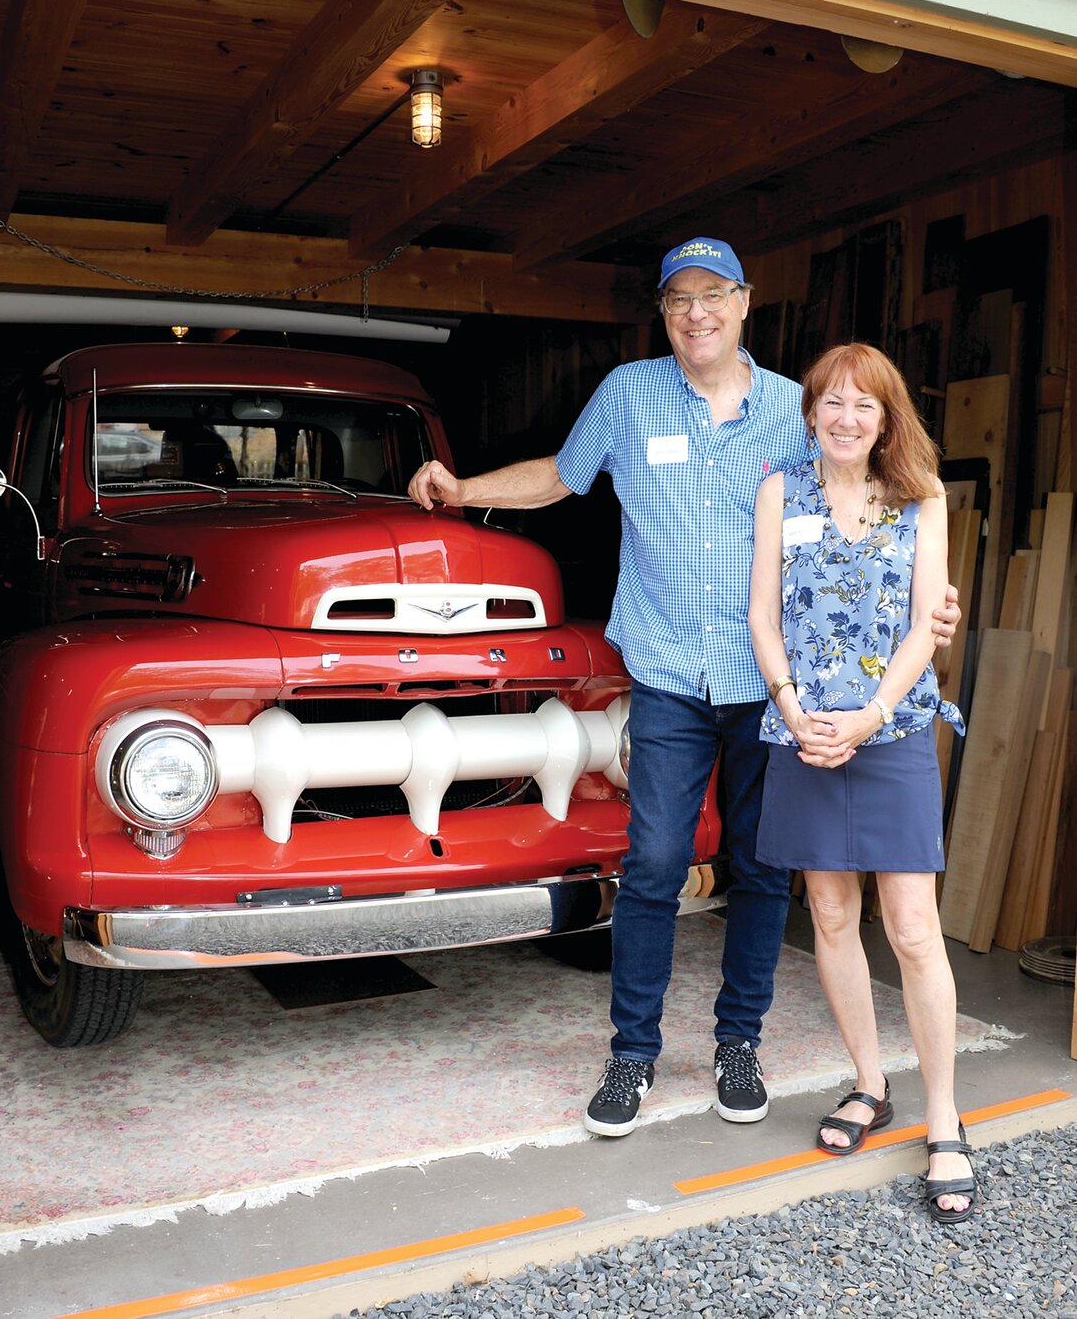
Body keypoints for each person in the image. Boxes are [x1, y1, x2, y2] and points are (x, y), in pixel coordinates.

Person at [408, 238, 960, 1139]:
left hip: (773, 685)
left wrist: (931, 604)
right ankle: (631, 1054)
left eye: (712, 295)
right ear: (662, 312)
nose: (694, 313)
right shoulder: (627, 395)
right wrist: (463, 488)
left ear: (744, 302)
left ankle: (736, 1044)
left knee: (757, 868)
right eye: (677, 300)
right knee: (657, 863)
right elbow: (559, 476)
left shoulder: (797, 408)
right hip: (666, 670)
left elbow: (867, 508)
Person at [748, 341, 975, 1223]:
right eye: (831, 403)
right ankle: (870, 1083)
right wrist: (790, 703)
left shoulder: (920, 499)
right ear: (809, 411)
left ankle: (945, 1118)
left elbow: (929, 623)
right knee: (831, 916)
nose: (845, 419)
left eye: (864, 406)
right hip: (801, 729)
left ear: (886, 419)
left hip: (890, 730)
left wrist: (872, 715)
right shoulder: (780, 491)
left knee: (913, 929)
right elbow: (761, 613)